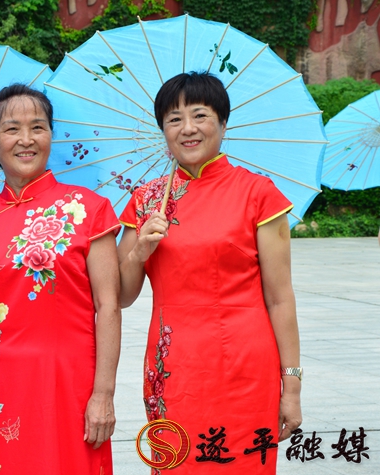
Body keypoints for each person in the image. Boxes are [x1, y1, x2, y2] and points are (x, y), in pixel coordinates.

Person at [117, 72, 302, 473]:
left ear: (222, 122)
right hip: (173, 365)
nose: (188, 128)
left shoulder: (258, 194)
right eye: (174, 119)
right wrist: (139, 252)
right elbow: (121, 295)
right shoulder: (146, 200)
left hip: (245, 365)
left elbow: (279, 298)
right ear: (163, 130)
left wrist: (292, 384)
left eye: (200, 115)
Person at [0, 84, 121, 475]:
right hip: (0, 391)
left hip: (72, 385)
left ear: (50, 136)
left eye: (38, 127)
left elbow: (108, 305)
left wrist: (103, 393)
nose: (26, 139)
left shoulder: (89, 209)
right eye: (11, 129)